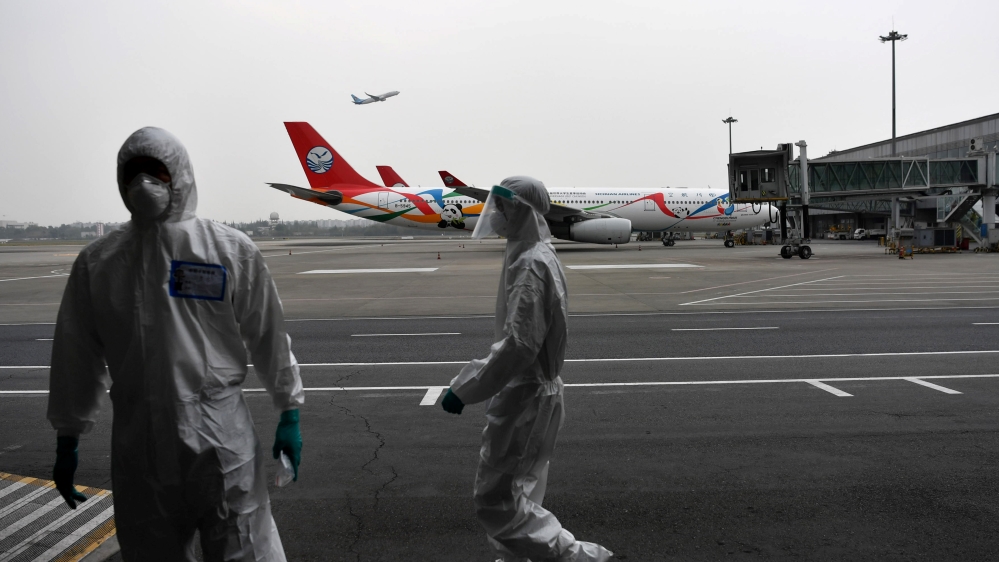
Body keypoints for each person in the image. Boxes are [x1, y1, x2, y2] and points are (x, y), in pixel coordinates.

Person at [47, 127, 304, 562]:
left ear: (179, 175)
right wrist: (67, 436)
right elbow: (75, 356)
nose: (143, 183)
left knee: (246, 548)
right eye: (133, 173)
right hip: (139, 446)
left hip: (222, 440)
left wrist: (289, 409)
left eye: (156, 171)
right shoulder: (98, 262)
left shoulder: (229, 250)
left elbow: (268, 334)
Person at [441, 177, 612, 562]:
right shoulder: (536, 254)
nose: (496, 215)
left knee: (496, 502)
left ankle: (577, 558)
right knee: (523, 491)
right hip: (536, 393)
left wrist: (464, 388)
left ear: (520, 209)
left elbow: (519, 344)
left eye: (502, 207)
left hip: (525, 397)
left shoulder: (531, 263)